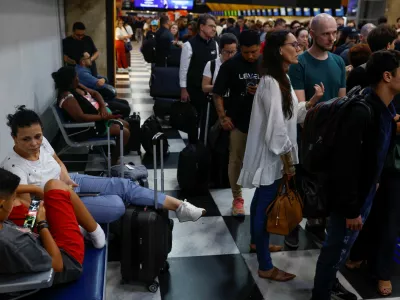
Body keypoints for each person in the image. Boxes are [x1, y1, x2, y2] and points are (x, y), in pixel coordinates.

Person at [1, 107, 206, 226]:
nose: (35, 143)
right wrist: (58, 200)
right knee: (116, 204)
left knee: (123, 185)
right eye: (26, 139)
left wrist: (65, 178)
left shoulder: (42, 140)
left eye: (37, 136)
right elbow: (30, 211)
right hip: (56, 203)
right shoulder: (13, 168)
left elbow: (58, 161)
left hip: (70, 181)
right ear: (14, 138)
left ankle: (180, 206)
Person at [311, 49, 400, 300]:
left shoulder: (385, 107)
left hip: (365, 192)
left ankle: (328, 284)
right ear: (386, 76)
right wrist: (351, 209)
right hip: (350, 199)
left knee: (343, 246)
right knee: (336, 247)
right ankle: (320, 294)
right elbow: (345, 166)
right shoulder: (363, 111)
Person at [237, 30, 323, 282]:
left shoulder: (281, 77)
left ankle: (257, 245)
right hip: (272, 157)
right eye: (293, 44)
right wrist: (288, 161)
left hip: (275, 155)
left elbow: (288, 115)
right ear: (278, 50)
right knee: (265, 207)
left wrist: (311, 102)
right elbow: (275, 129)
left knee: (260, 204)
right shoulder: (271, 82)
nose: (298, 47)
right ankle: (265, 265)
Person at [287, 13, 346, 247]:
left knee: (323, 184)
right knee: (299, 182)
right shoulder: (299, 63)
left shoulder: (338, 61)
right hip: (306, 135)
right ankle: (291, 224)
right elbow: (302, 109)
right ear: (312, 34)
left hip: (332, 134)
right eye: (326, 33)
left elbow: (342, 101)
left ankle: (316, 224)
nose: (332, 37)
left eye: (334, 32)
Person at [0, 169, 104, 284]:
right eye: (12, 199)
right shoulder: (14, 244)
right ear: (1, 204)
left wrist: (34, 190)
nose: (13, 200)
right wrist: (42, 224)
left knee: (35, 204)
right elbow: (57, 264)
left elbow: (25, 232)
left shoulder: (6, 229)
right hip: (66, 260)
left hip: (31, 236)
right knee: (55, 185)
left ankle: (71, 225)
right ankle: (95, 232)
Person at [212, 30, 260, 217]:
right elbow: (217, 93)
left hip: (262, 123)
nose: (250, 56)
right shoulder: (230, 65)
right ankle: (237, 198)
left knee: (263, 163)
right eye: (246, 52)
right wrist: (223, 117)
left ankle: (262, 198)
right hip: (238, 121)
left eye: (254, 52)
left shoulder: (265, 64)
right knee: (235, 160)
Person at [180, 14, 218, 142]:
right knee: (193, 120)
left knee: (207, 119)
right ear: (202, 27)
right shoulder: (189, 45)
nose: (214, 29)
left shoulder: (215, 45)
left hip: (209, 89)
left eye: (215, 26)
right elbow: (183, 69)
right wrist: (183, 89)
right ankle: (192, 148)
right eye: (211, 26)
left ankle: (204, 145)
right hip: (193, 88)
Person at [74, 52, 131, 118]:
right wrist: (103, 80)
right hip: (97, 101)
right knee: (126, 108)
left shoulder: (84, 69)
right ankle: (118, 124)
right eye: (89, 58)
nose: (91, 59)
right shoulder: (82, 73)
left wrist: (103, 80)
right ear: (83, 62)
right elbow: (100, 84)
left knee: (125, 102)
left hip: (98, 97)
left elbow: (103, 79)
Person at [347, 25, 397, 91]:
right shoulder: (395, 71)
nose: (395, 47)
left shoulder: (357, 72)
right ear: (388, 46)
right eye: (394, 43)